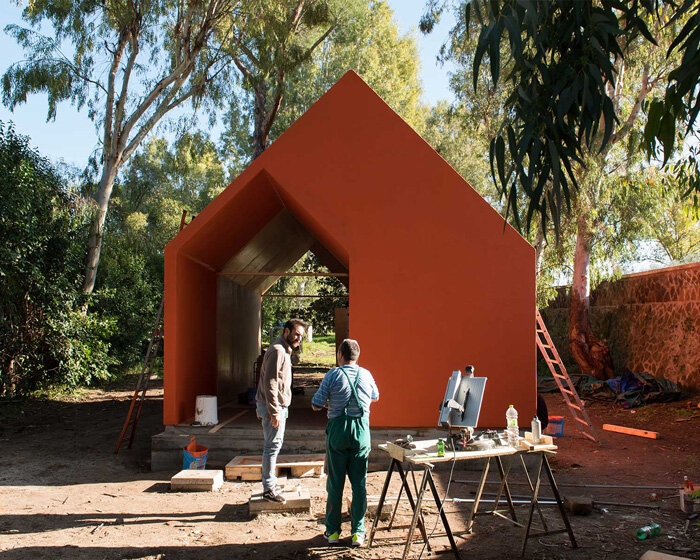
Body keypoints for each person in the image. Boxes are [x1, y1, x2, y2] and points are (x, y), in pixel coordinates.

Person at [312, 339, 379, 547]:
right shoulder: (367, 374)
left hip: (338, 432)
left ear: (340, 354)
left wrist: (333, 403)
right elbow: (375, 397)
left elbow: (316, 404)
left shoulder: (333, 374)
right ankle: (358, 532)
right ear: (357, 356)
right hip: (361, 432)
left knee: (335, 483)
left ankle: (332, 532)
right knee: (359, 484)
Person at [256, 318, 306, 503]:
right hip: (273, 406)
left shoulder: (283, 350)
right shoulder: (278, 351)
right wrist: (274, 410)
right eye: (296, 334)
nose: (298, 338)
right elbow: (270, 382)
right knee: (272, 446)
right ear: (286, 331)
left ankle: (270, 485)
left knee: (273, 445)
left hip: (276, 405)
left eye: (301, 335)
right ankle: (269, 489)